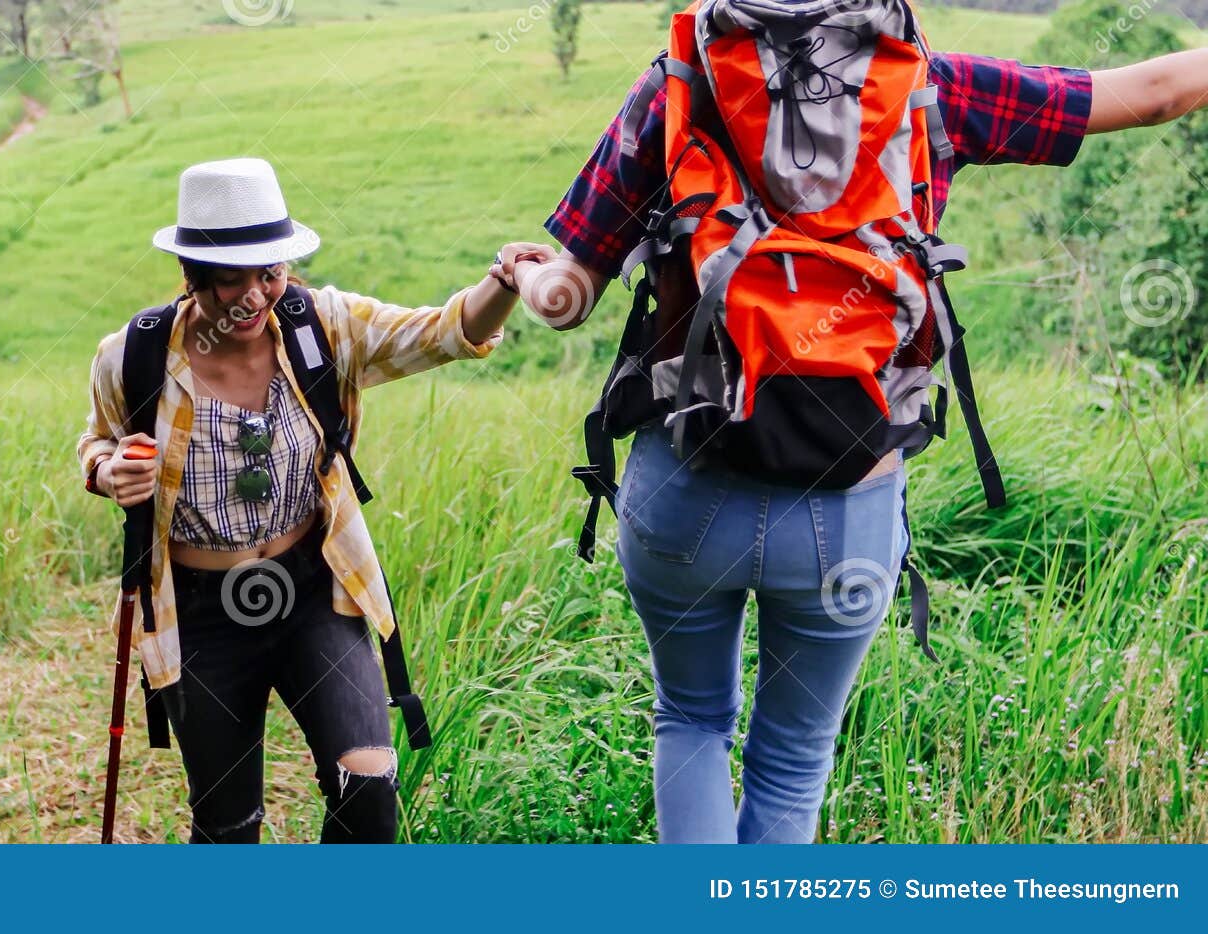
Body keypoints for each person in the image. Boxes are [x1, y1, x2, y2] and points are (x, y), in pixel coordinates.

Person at [510, 5, 1208, 843]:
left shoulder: (677, 84)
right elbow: (1159, 91)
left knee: (691, 721)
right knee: (794, 761)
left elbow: (567, 297)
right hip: (848, 512)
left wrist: (529, 278)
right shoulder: (931, 88)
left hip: (687, 493)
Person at [79, 157, 551, 843]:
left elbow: (443, 332)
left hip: (312, 589)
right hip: (201, 609)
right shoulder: (135, 355)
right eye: (231, 278)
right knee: (228, 825)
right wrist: (108, 471)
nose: (253, 296)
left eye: (269, 273)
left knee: (368, 784)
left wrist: (504, 280)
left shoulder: (321, 327)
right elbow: (96, 443)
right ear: (192, 274)